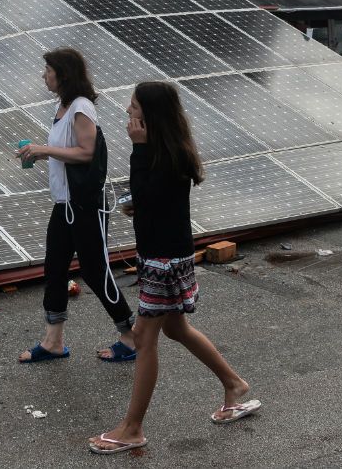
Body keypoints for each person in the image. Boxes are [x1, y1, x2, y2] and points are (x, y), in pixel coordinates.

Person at [88, 82, 260, 455]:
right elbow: (155, 199)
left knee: (144, 339)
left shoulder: (161, 153)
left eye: (133, 107)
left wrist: (137, 149)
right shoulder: (167, 150)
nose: (128, 113)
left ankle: (133, 428)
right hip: (166, 254)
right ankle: (234, 385)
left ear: (150, 115)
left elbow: (152, 191)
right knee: (177, 329)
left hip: (163, 260)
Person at [16, 47, 137, 364]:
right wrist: (44, 153)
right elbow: (67, 150)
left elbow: (86, 151)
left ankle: (130, 335)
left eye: (48, 70)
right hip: (65, 204)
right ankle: (53, 340)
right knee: (54, 268)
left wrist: (45, 148)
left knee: (96, 271)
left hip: (85, 205)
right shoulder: (63, 107)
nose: (44, 75)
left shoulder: (81, 107)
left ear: (63, 74)